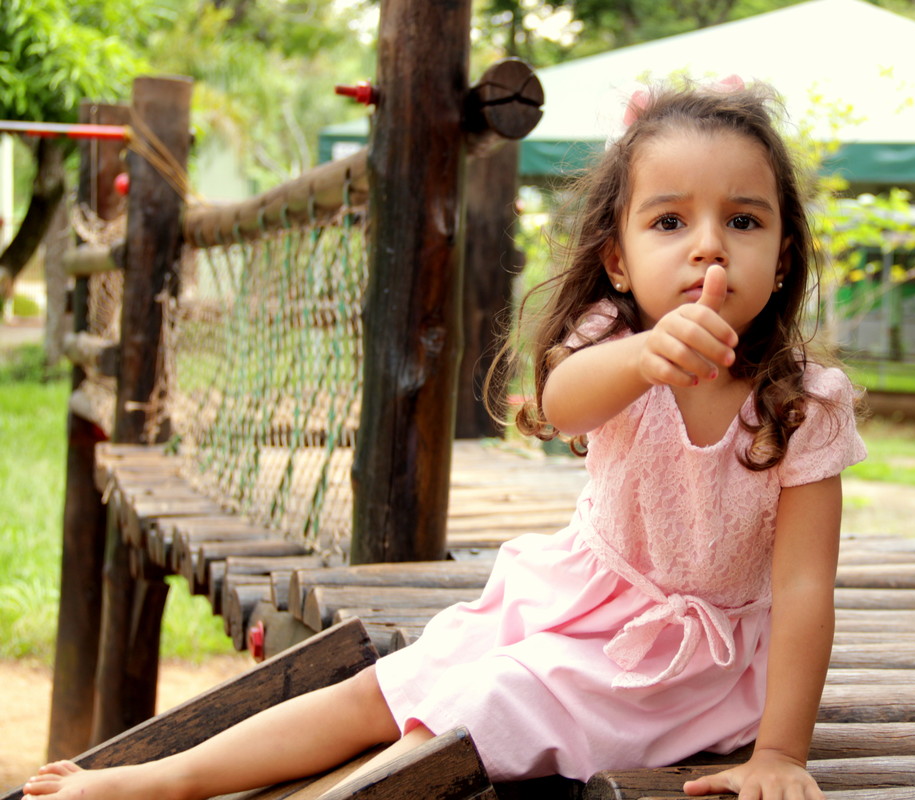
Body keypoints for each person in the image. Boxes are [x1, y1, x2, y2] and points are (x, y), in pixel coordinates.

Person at [22, 81, 865, 800]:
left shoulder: (805, 406)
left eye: (744, 222)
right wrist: (646, 357)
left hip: (685, 666)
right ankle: (158, 779)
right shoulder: (613, 341)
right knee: (381, 690)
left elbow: (802, 592)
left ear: (784, 257)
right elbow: (566, 405)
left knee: (477, 707)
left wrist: (781, 754)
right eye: (671, 221)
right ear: (617, 258)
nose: (709, 245)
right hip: (577, 600)